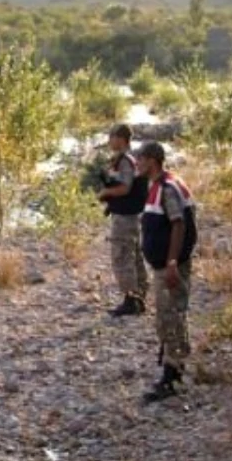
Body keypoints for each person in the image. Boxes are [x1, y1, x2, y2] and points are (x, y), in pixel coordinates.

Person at [135, 141, 198, 403]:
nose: (137, 163)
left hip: (170, 267)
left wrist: (171, 262)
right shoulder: (162, 185)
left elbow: (178, 223)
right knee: (170, 315)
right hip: (164, 265)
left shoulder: (167, 188)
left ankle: (173, 377)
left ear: (152, 160)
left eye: (140, 158)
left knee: (170, 317)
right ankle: (174, 366)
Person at [96, 124, 150, 317]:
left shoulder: (126, 161)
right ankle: (139, 296)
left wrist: (105, 192)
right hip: (132, 214)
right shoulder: (132, 159)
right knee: (134, 256)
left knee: (122, 256)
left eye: (112, 136)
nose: (110, 141)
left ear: (121, 138)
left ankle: (131, 300)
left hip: (126, 217)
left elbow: (125, 188)